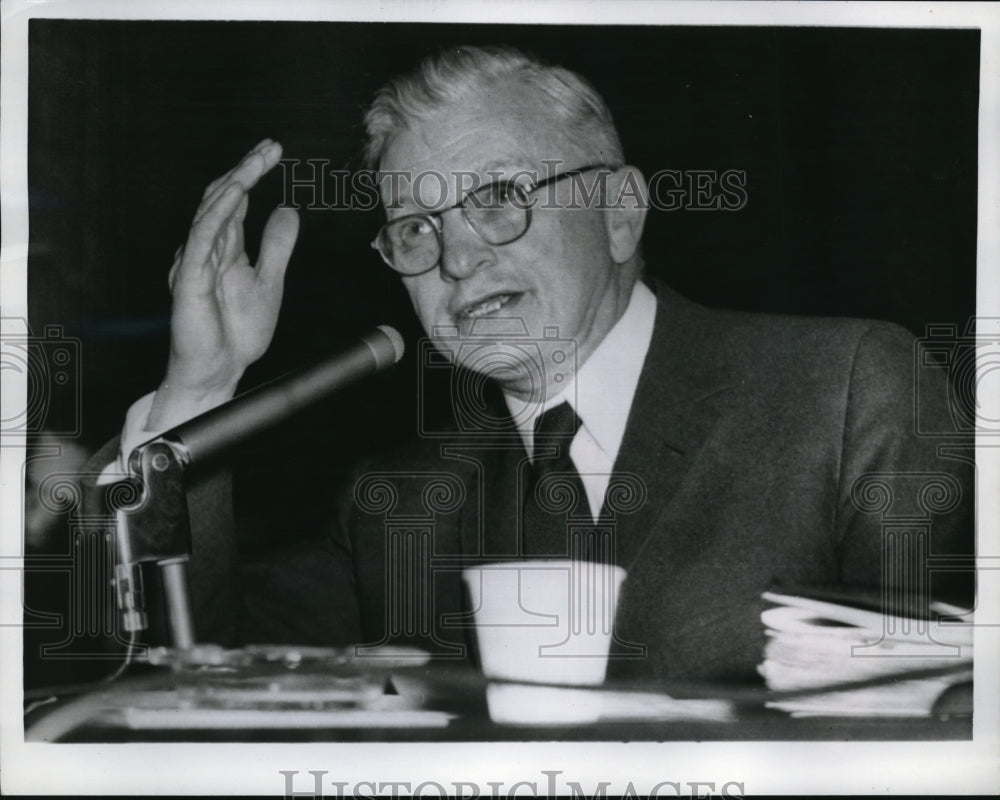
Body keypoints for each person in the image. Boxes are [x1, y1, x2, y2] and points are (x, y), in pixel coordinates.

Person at [91, 46, 973, 683]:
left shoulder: (845, 392)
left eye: (498, 198)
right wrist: (200, 386)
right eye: (414, 229)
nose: (455, 259)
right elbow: (191, 672)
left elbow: (941, 725)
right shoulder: (397, 501)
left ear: (619, 213)